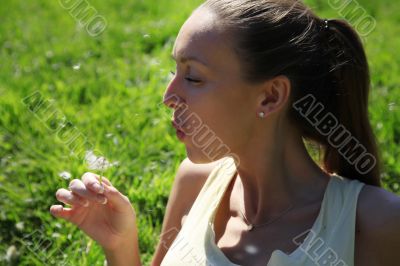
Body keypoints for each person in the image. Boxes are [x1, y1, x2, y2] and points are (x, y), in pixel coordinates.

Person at [50, 0, 400, 265]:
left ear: (270, 96)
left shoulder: (374, 223)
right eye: (175, 71)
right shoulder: (194, 183)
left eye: (193, 77)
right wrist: (121, 245)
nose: (169, 97)